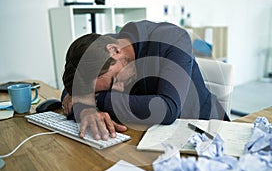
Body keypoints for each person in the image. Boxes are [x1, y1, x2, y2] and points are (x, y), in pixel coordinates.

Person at [61, 20, 230, 140]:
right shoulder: (101, 49)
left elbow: (168, 108)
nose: (117, 92)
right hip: (151, 136)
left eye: (113, 82)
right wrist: (85, 108)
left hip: (206, 131)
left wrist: (99, 99)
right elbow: (73, 89)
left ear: (115, 50)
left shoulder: (172, 38)